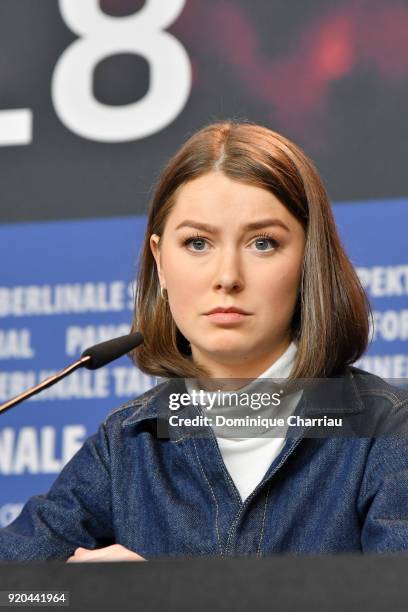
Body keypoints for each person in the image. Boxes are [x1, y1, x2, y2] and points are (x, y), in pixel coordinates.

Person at [1, 121, 408, 562]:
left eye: (263, 243)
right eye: (197, 243)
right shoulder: (127, 444)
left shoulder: (388, 432)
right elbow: (16, 590)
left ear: (309, 260)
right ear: (159, 260)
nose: (227, 277)